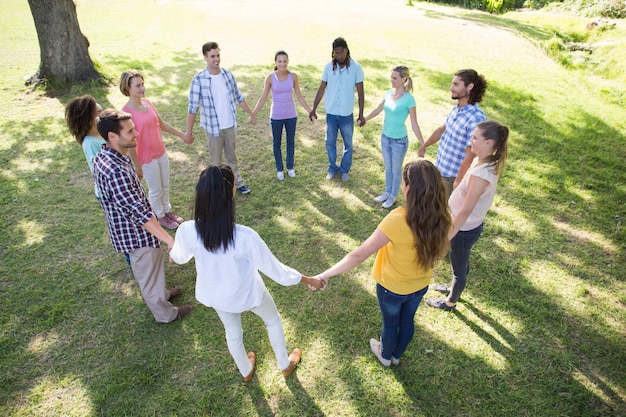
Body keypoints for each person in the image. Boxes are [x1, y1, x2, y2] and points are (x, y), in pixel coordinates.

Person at [169, 165, 324, 381]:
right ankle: (284, 364)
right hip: (249, 295)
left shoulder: (186, 230)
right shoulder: (245, 237)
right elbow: (277, 272)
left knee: (233, 333)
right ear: (232, 192)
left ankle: (246, 371)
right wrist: (310, 280)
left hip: (217, 297)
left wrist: (173, 250)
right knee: (272, 320)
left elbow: (178, 257)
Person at [314, 160, 451, 366]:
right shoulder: (442, 217)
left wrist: (325, 274)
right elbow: (440, 252)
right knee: (407, 322)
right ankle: (396, 356)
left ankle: (385, 356)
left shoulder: (397, 219)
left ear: (408, 189)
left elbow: (358, 255)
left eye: (404, 182)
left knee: (391, 323)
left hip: (392, 289)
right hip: (420, 286)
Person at [94, 109, 192, 323]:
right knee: (148, 276)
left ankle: (163, 294)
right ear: (112, 136)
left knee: (154, 269)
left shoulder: (107, 155)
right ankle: (166, 315)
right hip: (136, 235)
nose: (137, 133)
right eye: (130, 131)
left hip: (138, 231)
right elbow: (140, 215)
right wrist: (169, 240)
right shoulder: (114, 170)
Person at [426, 121, 509, 311]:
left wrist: (448, 235)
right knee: (459, 265)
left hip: (463, 229)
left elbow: (465, 210)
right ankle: (453, 288)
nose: (471, 141)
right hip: (463, 226)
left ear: (488, 143)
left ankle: (450, 302)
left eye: (475, 138)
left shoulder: (482, 174)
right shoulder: (481, 161)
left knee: (459, 267)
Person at [184, 41, 256, 194]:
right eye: (212, 56)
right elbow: (192, 107)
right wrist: (188, 131)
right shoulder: (199, 79)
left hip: (229, 125)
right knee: (216, 163)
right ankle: (218, 190)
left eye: (217, 55)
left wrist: (251, 113)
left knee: (232, 158)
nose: (216, 59)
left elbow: (239, 97)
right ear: (205, 57)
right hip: (212, 128)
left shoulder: (227, 75)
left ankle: (237, 184)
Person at [120, 70, 187, 230]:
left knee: (165, 185)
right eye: (138, 86)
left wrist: (181, 134)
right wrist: (137, 165)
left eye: (142, 84)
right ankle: (160, 215)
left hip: (160, 153)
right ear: (128, 88)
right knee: (155, 189)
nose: (142, 88)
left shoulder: (148, 103)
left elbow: (161, 124)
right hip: (146, 159)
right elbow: (129, 142)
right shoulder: (126, 112)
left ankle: (167, 210)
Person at [362, 66, 425, 209]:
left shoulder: (409, 100)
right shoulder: (388, 94)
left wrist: (423, 144)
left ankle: (392, 196)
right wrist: (365, 118)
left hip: (399, 142)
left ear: (404, 79)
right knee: (388, 168)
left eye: (395, 78)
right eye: (391, 77)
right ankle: (387, 192)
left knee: (396, 170)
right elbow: (378, 109)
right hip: (385, 138)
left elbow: (414, 123)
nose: (392, 80)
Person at [418, 69, 487, 196]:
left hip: (453, 177)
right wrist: (424, 145)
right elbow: (441, 130)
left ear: (470, 86)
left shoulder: (475, 118)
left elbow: (471, 154)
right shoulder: (456, 109)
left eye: (456, 84)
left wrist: (459, 180)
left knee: (447, 213)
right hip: (440, 170)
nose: (451, 88)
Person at [309, 37, 365, 182]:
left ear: (347, 50)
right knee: (330, 142)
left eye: (341, 52)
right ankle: (332, 168)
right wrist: (313, 108)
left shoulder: (356, 67)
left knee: (348, 144)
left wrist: (361, 114)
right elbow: (322, 88)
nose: (339, 55)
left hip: (346, 114)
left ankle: (345, 169)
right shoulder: (329, 67)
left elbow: (360, 92)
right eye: (336, 53)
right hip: (332, 113)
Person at [251, 50, 312, 180]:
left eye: (284, 61)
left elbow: (299, 97)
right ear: (275, 62)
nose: (282, 64)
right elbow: (263, 98)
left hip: (291, 115)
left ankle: (290, 167)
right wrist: (253, 113)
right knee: (276, 142)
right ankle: (280, 169)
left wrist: (310, 110)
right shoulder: (270, 77)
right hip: (276, 116)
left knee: (290, 141)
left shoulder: (293, 76)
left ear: (288, 62)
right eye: (280, 61)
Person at [65, 95, 106, 197]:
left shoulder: (101, 133)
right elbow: (101, 168)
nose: (103, 115)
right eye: (99, 113)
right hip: (107, 191)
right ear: (88, 118)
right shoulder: (90, 143)